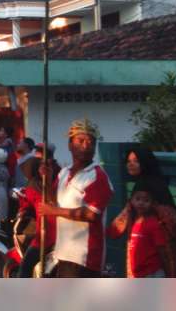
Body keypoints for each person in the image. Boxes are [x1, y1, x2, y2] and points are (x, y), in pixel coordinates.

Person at [38, 118, 114, 278]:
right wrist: (48, 178)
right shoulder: (63, 173)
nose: (86, 145)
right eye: (81, 140)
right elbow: (53, 200)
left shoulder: (97, 176)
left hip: (85, 257)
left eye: (91, 142)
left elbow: (91, 214)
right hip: (63, 252)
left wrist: (53, 211)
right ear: (70, 145)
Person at [107, 179, 176, 277]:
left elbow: (162, 251)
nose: (141, 203)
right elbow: (113, 232)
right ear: (131, 201)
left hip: (152, 272)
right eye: (137, 199)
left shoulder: (154, 224)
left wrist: (169, 273)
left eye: (146, 200)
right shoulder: (131, 220)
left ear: (153, 203)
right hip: (137, 272)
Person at [14, 157, 57, 278]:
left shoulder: (34, 186)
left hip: (46, 233)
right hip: (52, 230)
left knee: (25, 267)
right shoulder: (50, 184)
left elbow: (29, 204)